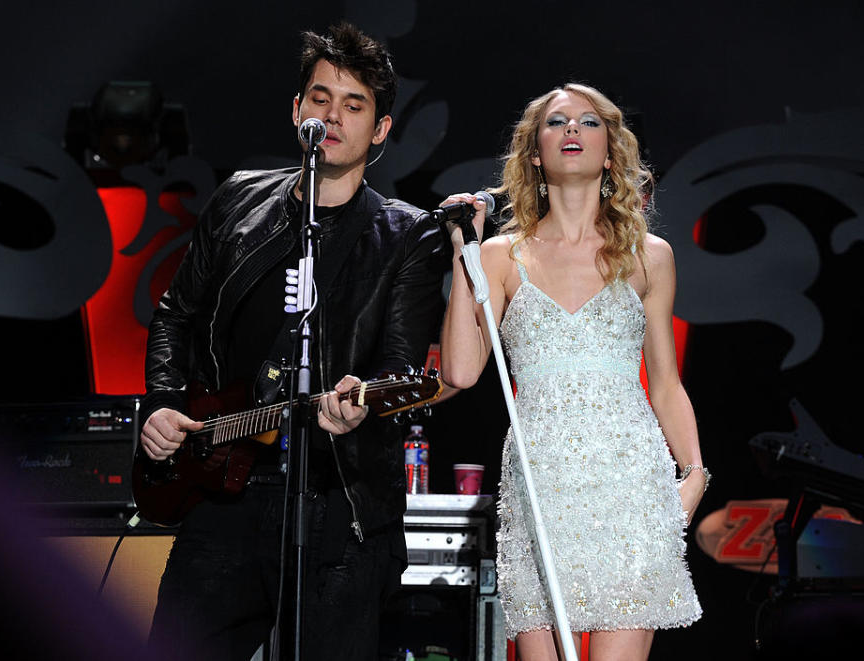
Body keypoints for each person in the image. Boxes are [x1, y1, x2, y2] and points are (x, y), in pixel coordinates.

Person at [138, 23, 445, 661]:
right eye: (320, 97)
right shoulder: (238, 199)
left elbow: (398, 364)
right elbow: (176, 313)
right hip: (223, 489)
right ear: (297, 109)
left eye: (354, 105)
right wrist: (163, 403)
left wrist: (360, 400)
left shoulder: (405, 235)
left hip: (337, 504)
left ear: (381, 130)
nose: (332, 116)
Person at [439, 83, 706, 661]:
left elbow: (665, 381)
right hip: (541, 487)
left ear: (610, 151)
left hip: (630, 483)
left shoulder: (650, 256)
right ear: (534, 153)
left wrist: (695, 474)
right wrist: (466, 251)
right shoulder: (497, 255)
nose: (572, 132)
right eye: (557, 123)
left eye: (588, 123)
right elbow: (460, 370)